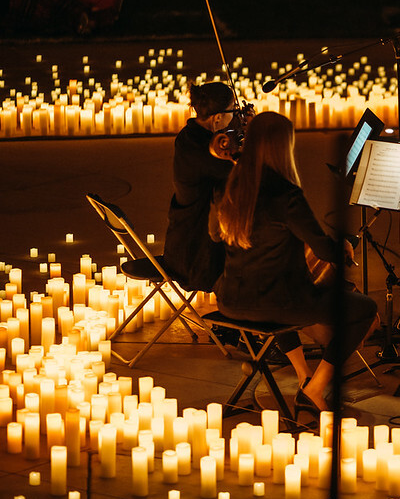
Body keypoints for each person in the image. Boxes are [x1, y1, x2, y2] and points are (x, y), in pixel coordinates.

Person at [211, 112, 378, 415]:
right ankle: (316, 387)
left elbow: (213, 233)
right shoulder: (285, 194)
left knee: (275, 284)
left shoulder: (231, 185)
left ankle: (304, 375)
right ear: (282, 147)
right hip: (277, 304)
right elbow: (324, 250)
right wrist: (342, 245)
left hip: (231, 300)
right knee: (364, 309)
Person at [162, 82, 237, 293]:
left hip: (182, 238)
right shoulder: (204, 149)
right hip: (195, 251)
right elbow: (236, 171)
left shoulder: (190, 135)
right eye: (233, 111)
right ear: (217, 118)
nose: (235, 116)